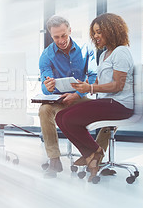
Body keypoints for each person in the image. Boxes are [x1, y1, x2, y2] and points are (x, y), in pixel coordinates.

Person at [55, 13, 134, 182]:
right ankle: (92, 154)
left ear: (112, 30)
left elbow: (118, 85)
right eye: (94, 33)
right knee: (60, 116)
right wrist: (82, 86)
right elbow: (102, 81)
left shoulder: (121, 52)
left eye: (99, 32)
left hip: (120, 105)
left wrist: (90, 87)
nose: (96, 36)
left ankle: (94, 153)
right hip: (107, 102)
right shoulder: (105, 54)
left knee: (69, 118)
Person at [38, 15, 109, 178]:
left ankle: (96, 155)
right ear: (51, 35)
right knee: (44, 110)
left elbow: (92, 76)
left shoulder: (86, 49)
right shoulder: (46, 56)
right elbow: (45, 85)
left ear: (70, 31)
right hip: (58, 100)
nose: (61, 40)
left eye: (64, 35)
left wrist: (77, 94)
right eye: (56, 37)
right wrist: (48, 87)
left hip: (79, 97)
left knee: (108, 110)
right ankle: (54, 159)